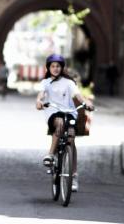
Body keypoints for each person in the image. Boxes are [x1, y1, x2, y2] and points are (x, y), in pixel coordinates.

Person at [35, 54, 93, 192]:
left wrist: (86, 103)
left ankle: (73, 175)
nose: (55, 68)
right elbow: (41, 95)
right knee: (59, 122)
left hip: (69, 111)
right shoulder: (45, 82)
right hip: (53, 112)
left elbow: (78, 95)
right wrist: (39, 102)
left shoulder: (69, 83)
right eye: (53, 66)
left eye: (58, 66)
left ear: (62, 68)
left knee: (71, 139)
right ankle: (50, 154)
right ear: (49, 68)